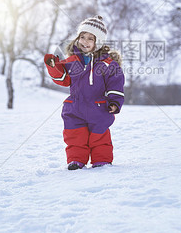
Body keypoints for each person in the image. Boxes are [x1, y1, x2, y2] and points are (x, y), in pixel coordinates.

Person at [44, 16, 125, 170]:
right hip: (75, 106)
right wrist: (54, 66)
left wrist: (114, 102)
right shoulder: (73, 61)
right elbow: (63, 79)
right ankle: (76, 160)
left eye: (90, 38)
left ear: (98, 42)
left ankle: (101, 161)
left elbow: (116, 83)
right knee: (75, 135)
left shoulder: (107, 64)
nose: (84, 41)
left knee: (99, 136)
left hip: (99, 107)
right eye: (82, 37)